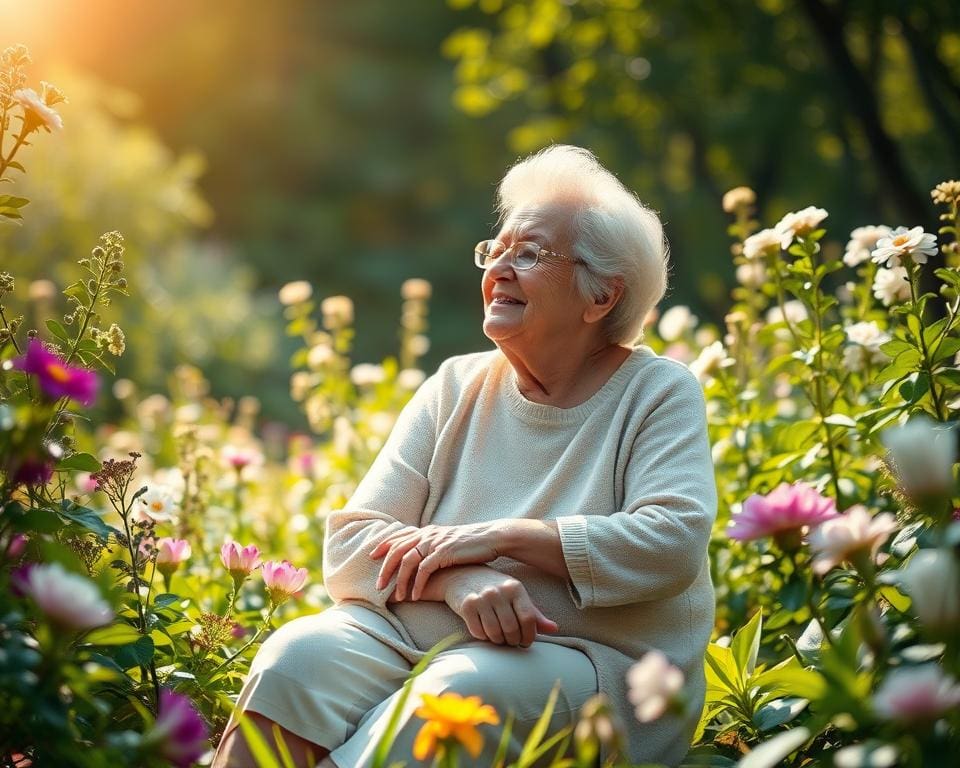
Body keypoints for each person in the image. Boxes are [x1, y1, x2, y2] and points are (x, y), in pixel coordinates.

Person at [214, 145, 716, 767]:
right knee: (296, 661)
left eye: (528, 253)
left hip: (592, 660)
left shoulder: (657, 392)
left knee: (452, 700)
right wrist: (460, 578)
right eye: (495, 250)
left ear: (601, 297)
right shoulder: (456, 384)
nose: (500, 268)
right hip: (414, 628)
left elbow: (672, 540)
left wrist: (501, 538)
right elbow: (349, 543)